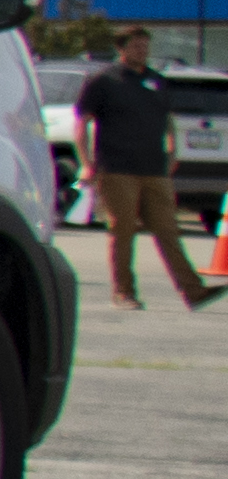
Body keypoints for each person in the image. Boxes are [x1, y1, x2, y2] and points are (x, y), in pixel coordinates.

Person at [71, 28, 211, 313]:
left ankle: (194, 292)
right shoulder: (104, 80)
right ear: (121, 48)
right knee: (123, 231)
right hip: (117, 169)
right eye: (135, 46)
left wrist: (173, 150)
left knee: (168, 230)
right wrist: (86, 164)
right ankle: (124, 293)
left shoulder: (156, 81)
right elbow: (81, 123)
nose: (142, 51)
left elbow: (167, 120)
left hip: (155, 170)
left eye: (145, 46)